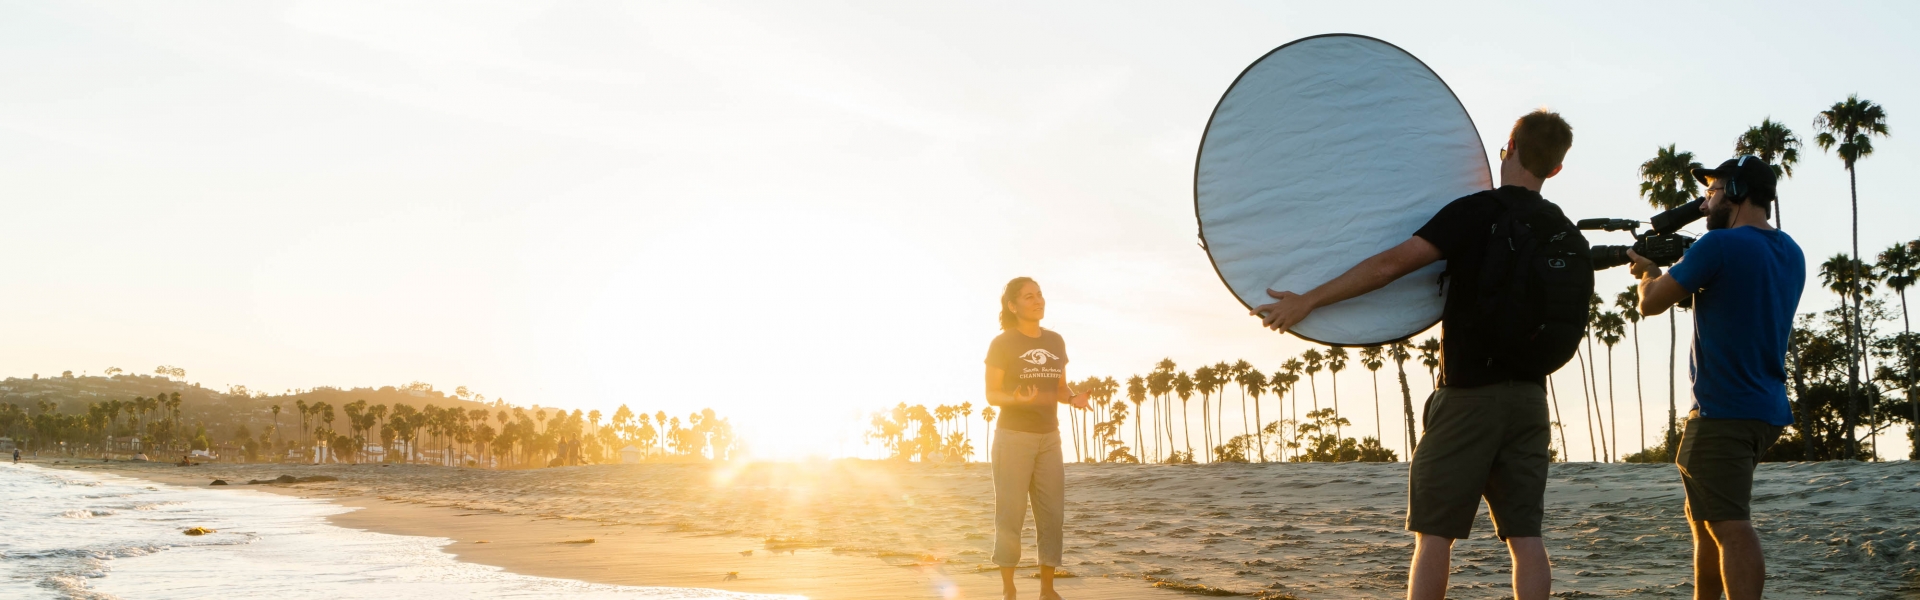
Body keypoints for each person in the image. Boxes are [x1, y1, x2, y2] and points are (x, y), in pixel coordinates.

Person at [1253, 110, 1578, 600]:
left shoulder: (1476, 212)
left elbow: (1389, 266)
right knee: (1526, 537)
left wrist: (1310, 300)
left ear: (1507, 146)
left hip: (1469, 397)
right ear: (1555, 169)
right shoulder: (1563, 231)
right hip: (1531, 400)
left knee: (1435, 535)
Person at [1630, 155, 1801, 600]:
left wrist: (1647, 273)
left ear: (1739, 191)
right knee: (1706, 521)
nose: (1705, 203)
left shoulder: (1718, 248)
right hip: (1764, 409)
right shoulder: (1790, 252)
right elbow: (1737, 300)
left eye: (1712, 191)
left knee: (1728, 524)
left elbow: (1651, 303)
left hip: (1722, 410)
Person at [983, 277, 1090, 600]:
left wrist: (1072, 399)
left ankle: (1047, 589)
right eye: (1029, 297)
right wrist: (1017, 399)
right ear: (1013, 306)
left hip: (1049, 438)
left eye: (1040, 295)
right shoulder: (1002, 343)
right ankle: (1009, 588)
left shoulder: (1056, 341)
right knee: (1010, 515)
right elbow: (991, 394)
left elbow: (1059, 388)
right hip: (1013, 437)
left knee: (1052, 515)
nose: (1038, 300)